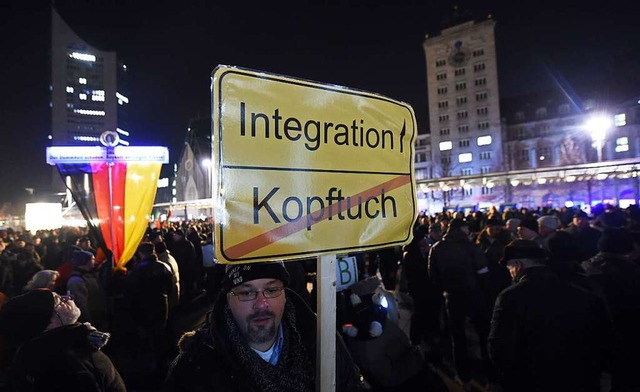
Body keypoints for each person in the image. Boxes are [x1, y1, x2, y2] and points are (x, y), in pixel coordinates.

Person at [164, 260, 363, 391]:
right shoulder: (195, 366)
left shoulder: (323, 341)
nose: (261, 304)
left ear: (285, 294)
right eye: (247, 292)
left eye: (271, 290)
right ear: (228, 299)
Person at [488, 240, 613, 392]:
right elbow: (603, 335)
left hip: (534, 379)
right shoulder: (579, 288)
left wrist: (510, 378)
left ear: (517, 265)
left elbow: (499, 345)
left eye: (509, 268)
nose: (510, 272)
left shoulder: (511, 296)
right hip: (581, 376)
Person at [0, 289, 125, 391]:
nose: (68, 298)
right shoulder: (68, 363)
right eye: (60, 300)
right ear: (49, 321)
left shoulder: (33, 352)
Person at [428, 218, 492, 390]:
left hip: (452, 297)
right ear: (462, 229)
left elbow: (433, 276)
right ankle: (489, 376)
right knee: (483, 336)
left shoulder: (436, 248)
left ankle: (464, 377)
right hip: (475, 296)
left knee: (458, 338)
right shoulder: (471, 247)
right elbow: (483, 273)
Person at [67, 249, 109, 331]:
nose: (94, 261)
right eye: (92, 259)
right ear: (85, 262)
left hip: (99, 314)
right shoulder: (76, 280)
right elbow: (81, 304)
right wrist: (89, 323)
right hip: (93, 318)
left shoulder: (89, 275)